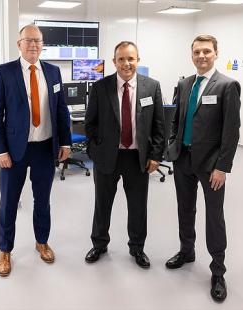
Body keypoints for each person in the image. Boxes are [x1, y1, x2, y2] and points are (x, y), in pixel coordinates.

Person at [0, 24, 71, 277]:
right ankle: (5, 250)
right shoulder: (4, 72)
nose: (34, 45)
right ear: (19, 44)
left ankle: (42, 241)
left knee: (42, 200)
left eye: (38, 40)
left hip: (45, 148)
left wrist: (65, 142)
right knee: (9, 202)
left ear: (42, 44)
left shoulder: (54, 72)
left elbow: (61, 110)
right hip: (14, 151)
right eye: (28, 40)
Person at [165, 34, 241, 302]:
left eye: (207, 51)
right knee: (185, 209)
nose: (201, 56)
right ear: (191, 54)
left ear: (216, 53)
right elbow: (176, 119)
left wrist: (222, 167)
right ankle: (187, 251)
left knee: (214, 216)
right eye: (197, 51)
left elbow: (231, 132)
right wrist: (173, 145)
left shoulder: (227, 86)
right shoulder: (185, 84)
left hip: (211, 166)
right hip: (183, 160)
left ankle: (218, 271)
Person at [84, 41, 165, 268]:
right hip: (108, 157)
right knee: (102, 204)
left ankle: (137, 247)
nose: (126, 63)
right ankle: (99, 244)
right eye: (121, 59)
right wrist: (95, 152)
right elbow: (90, 125)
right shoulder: (101, 87)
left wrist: (156, 155)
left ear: (138, 59)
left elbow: (159, 125)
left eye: (131, 58)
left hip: (138, 158)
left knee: (138, 206)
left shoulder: (152, 87)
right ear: (114, 62)